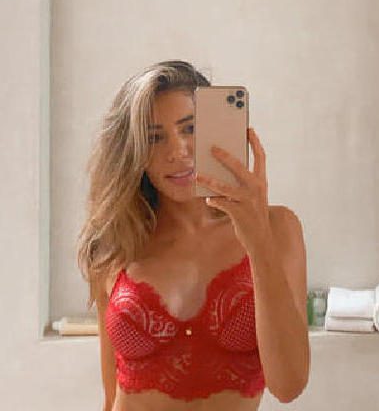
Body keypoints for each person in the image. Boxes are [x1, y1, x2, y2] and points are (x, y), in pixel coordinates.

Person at [76, 60, 309, 411]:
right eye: (154, 137)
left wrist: (257, 238)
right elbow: (110, 398)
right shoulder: (115, 241)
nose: (177, 151)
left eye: (190, 129)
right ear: (135, 151)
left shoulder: (278, 228)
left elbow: (289, 385)